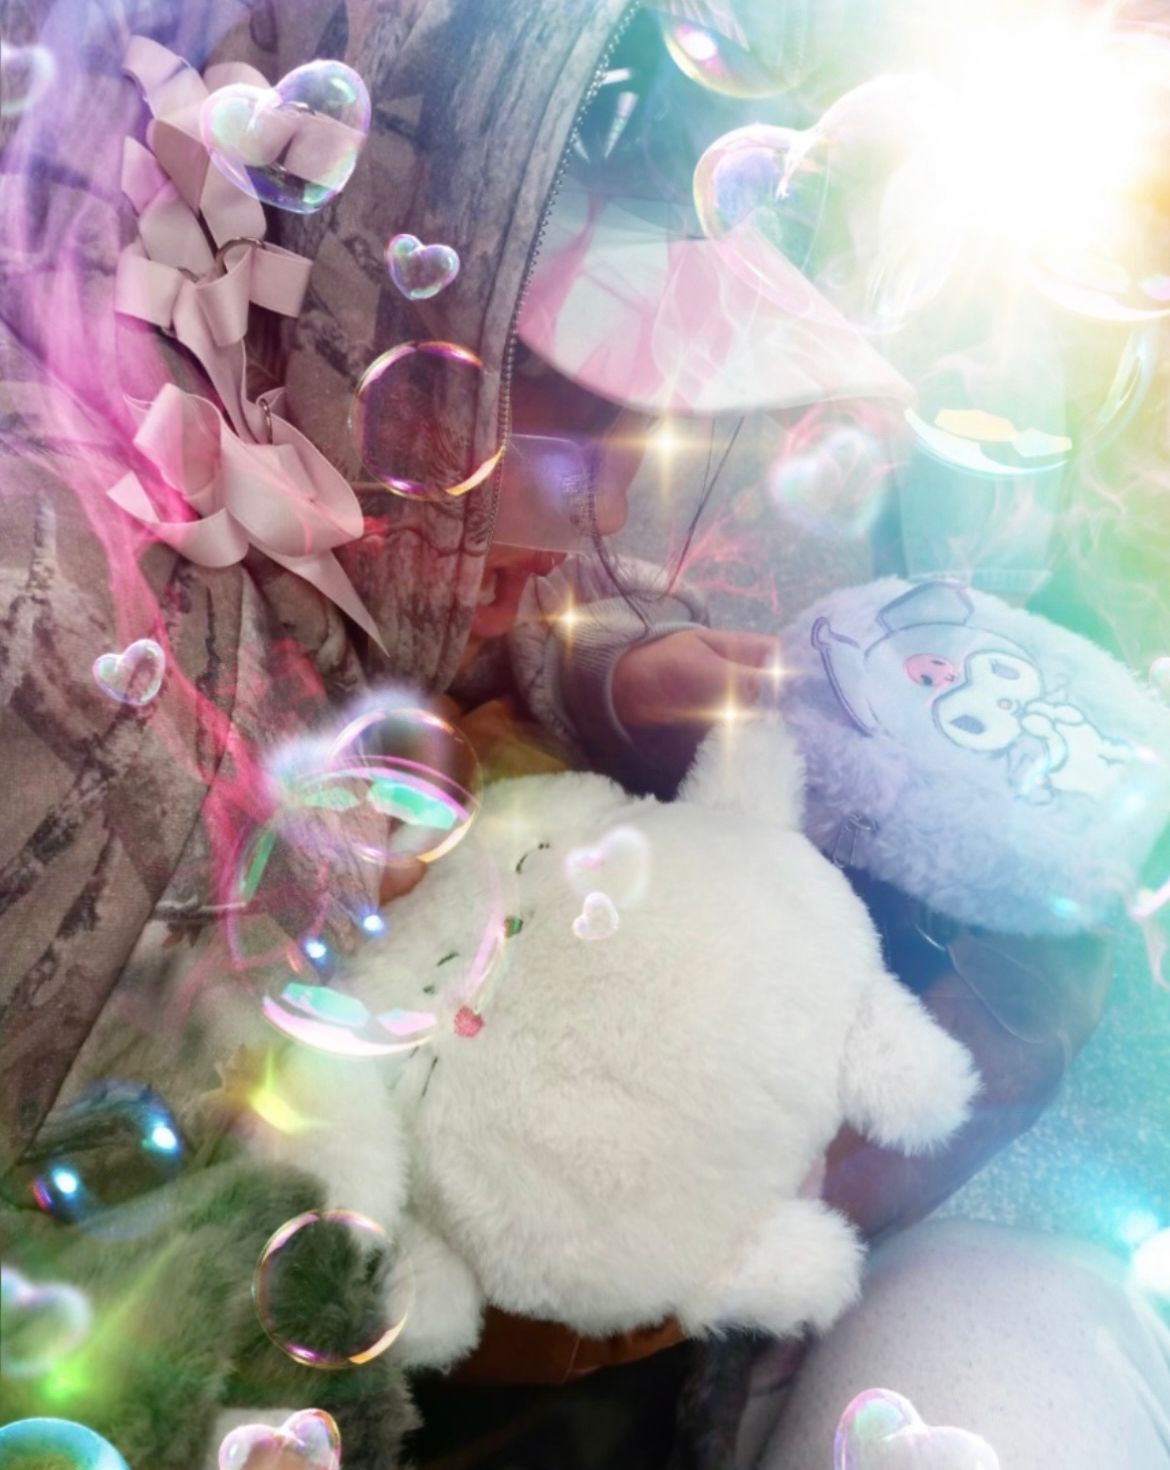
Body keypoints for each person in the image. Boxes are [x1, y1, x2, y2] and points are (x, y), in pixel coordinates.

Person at [0, 0, 1149, 1465]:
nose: (593, 506)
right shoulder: (96, 618)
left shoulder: (337, 484)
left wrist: (610, 681)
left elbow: (436, 646)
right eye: (565, 408)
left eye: (646, 436)